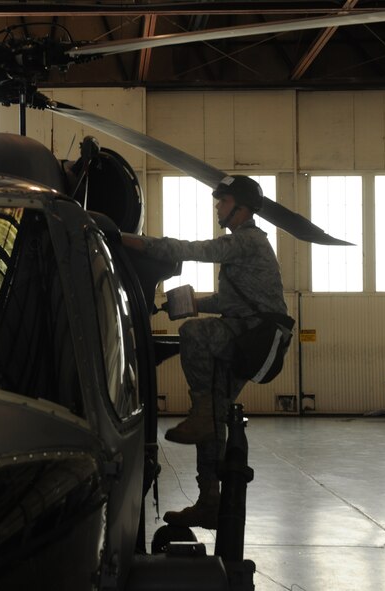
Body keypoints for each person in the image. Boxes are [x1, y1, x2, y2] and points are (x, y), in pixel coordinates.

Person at [122, 175, 287, 529]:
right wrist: (186, 303)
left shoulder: (247, 241)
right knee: (212, 423)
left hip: (254, 336)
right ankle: (210, 501)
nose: (217, 206)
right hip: (246, 333)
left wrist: (137, 243)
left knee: (193, 333)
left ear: (240, 208)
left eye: (222, 201)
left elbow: (196, 251)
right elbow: (231, 301)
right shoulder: (246, 248)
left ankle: (202, 414)